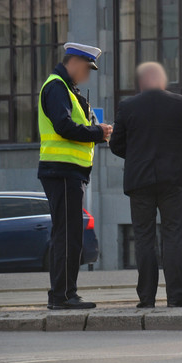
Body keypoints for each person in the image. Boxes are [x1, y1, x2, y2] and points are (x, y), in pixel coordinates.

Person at [110, 62, 182, 308]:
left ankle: (147, 299)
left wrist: (136, 155)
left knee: (143, 238)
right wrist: (175, 153)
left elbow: (115, 144)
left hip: (139, 182)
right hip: (172, 180)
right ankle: (176, 297)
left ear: (140, 83)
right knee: (172, 237)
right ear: (162, 81)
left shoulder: (127, 106)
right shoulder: (179, 103)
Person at [38, 42, 113, 310]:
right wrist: (97, 133)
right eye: (87, 70)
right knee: (68, 235)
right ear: (76, 64)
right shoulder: (57, 86)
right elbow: (63, 126)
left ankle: (65, 293)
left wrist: (95, 129)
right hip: (62, 170)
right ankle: (62, 296)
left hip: (67, 172)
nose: (87, 76)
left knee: (68, 234)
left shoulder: (65, 88)